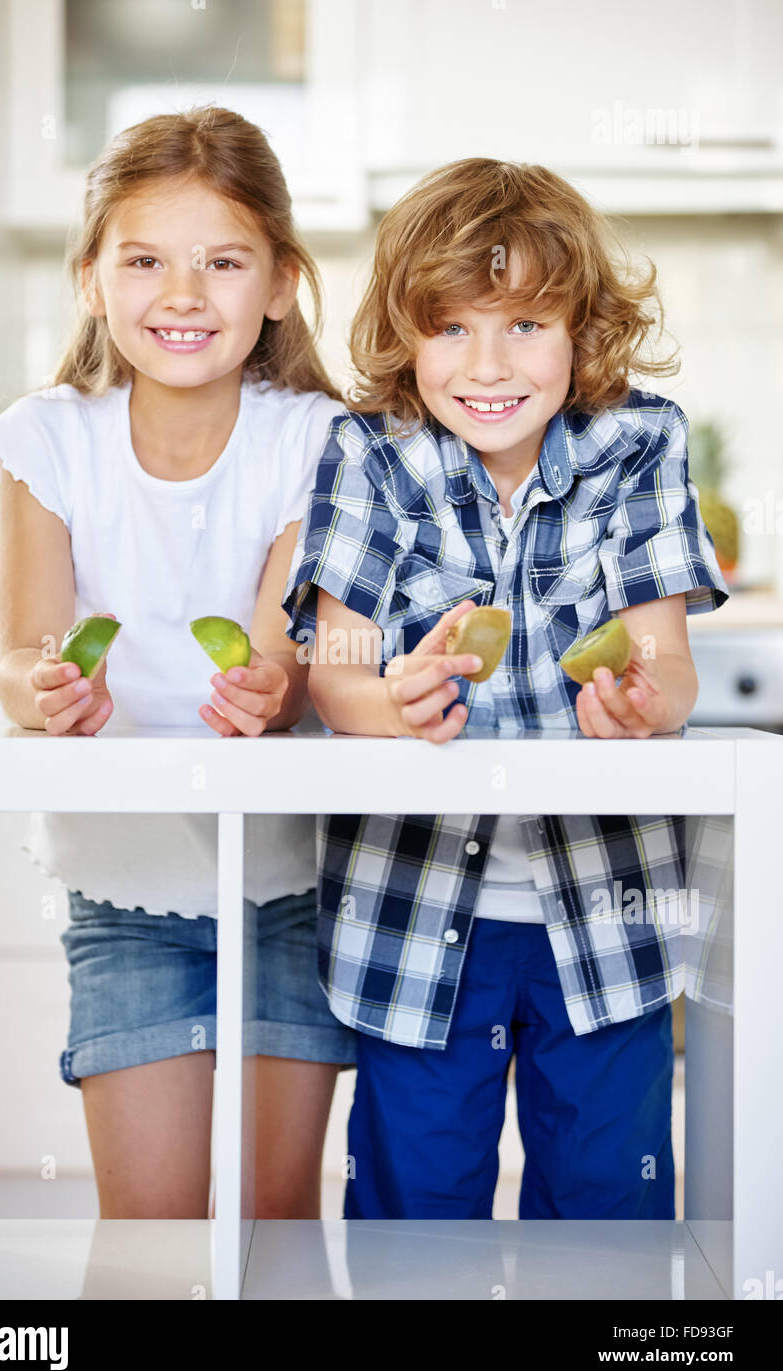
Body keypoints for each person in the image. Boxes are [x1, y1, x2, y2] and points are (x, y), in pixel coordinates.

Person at [282, 157, 728, 1219]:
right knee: (413, 1217)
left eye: (524, 324)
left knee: (605, 1218)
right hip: (413, 917)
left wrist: (641, 704)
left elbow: (664, 662)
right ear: (405, 336)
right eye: (450, 328)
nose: (487, 364)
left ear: (581, 331)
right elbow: (332, 666)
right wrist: (390, 702)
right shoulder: (369, 455)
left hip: (605, 919)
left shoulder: (636, 445)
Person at [0, 105, 355, 1219]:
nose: (181, 294)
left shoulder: (314, 441)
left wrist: (271, 689)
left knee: (274, 1234)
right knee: (150, 1242)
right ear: (92, 278)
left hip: (288, 886)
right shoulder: (45, 441)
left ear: (280, 282)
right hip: (123, 882)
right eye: (144, 260)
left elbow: (286, 659)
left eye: (222, 262)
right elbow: (20, 654)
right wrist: (41, 691)